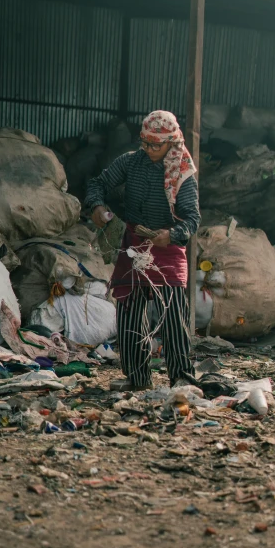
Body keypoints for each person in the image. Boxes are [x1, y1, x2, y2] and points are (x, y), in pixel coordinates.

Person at [86, 110, 201, 391]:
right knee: (128, 313)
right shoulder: (130, 162)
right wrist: (97, 206)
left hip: (168, 248)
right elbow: (97, 183)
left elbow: (193, 220)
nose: (149, 150)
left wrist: (171, 234)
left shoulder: (181, 173)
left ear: (171, 144)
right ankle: (137, 378)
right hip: (134, 243)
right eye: (146, 143)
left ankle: (181, 379)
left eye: (156, 145)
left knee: (173, 317)